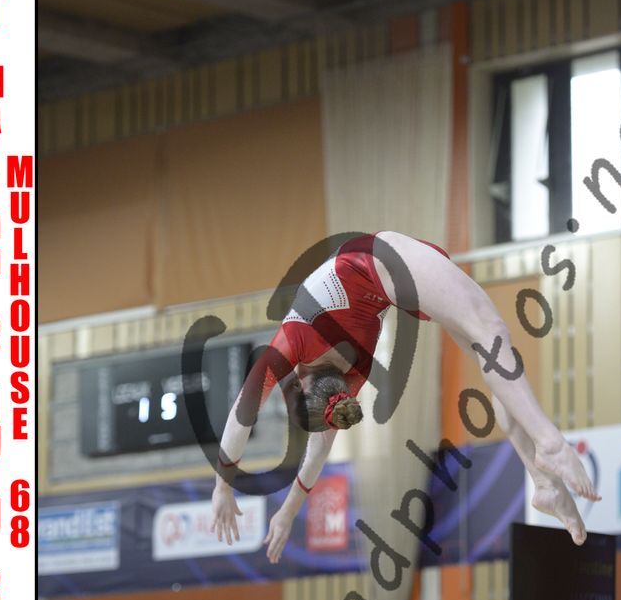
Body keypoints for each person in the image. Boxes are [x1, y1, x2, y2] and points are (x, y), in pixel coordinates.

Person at [211, 231, 599, 560]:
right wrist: (224, 486)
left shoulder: (341, 371)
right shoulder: (310, 352)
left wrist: (284, 511)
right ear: (300, 383)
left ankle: (544, 481)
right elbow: (243, 414)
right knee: (491, 333)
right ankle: (549, 449)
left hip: (390, 275)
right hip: (389, 263)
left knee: (493, 353)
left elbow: (315, 448)